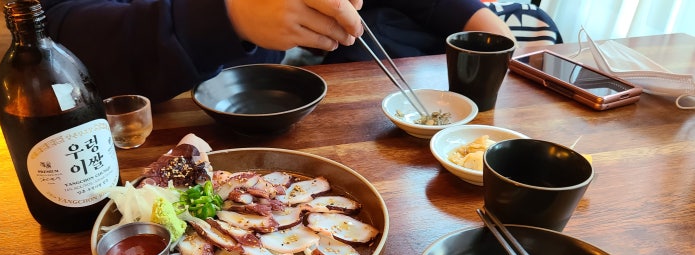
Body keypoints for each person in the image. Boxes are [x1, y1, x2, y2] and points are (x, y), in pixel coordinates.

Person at [41, 0, 513, 104]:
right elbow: (55, 33)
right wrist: (227, 14)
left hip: (258, 113)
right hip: (125, 134)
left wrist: (481, 20)